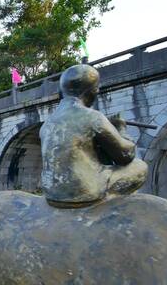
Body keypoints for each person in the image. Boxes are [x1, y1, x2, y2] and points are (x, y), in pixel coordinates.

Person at [40, 64, 148, 208]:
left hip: (51, 193)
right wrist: (120, 128)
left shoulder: (48, 122)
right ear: (92, 91)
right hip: (84, 191)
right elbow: (125, 155)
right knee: (139, 166)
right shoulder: (93, 117)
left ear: (61, 91)